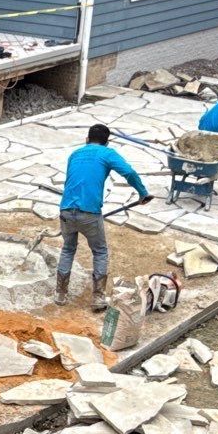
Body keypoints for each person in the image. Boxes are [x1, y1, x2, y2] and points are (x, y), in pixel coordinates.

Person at [56, 123, 151, 310]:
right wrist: (142, 193)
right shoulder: (107, 154)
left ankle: (60, 294)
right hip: (90, 213)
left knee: (68, 249)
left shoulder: (74, 154)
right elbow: (129, 172)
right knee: (100, 251)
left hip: (66, 210)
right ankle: (98, 297)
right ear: (107, 143)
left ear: (86, 139)